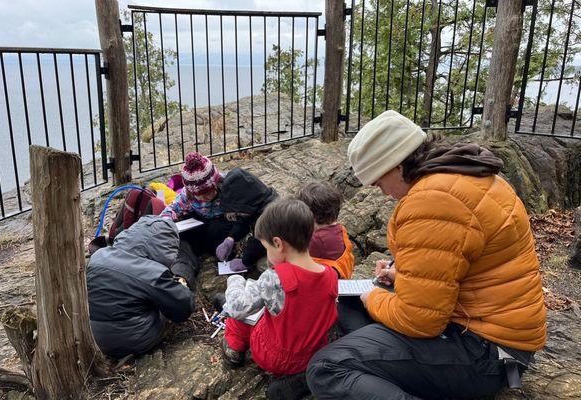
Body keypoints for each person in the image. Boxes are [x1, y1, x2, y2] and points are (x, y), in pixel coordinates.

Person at [307, 110, 547, 400]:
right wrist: (403, 274)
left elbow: (419, 321)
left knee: (326, 367)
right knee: (349, 305)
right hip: (484, 327)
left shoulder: (433, 201)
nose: (381, 192)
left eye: (377, 181)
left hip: (486, 352)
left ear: (395, 165)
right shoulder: (461, 174)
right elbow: (458, 263)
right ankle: (379, 368)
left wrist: (374, 298)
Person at [220, 199, 338, 400]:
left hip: (274, 356)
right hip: (310, 354)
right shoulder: (330, 274)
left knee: (241, 314)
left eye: (266, 247)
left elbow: (236, 307)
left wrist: (235, 282)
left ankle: (234, 348)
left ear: (278, 243)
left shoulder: (275, 278)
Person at [87, 216, 195, 359]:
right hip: (133, 339)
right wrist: (181, 283)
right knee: (166, 300)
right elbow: (183, 308)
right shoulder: (151, 273)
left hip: (93, 335)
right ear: (163, 248)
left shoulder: (99, 255)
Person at [160, 152, 277, 276]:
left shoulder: (231, 188)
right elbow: (172, 208)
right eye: (200, 195)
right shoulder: (188, 196)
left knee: (215, 232)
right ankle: (184, 265)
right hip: (202, 223)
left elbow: (246, 219)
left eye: (209, 192)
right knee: (182, 236)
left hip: (225, 225)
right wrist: (166, 220)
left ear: (216, 183)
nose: (205, 197)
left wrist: (232, 241)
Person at [295, 181, 354, 279]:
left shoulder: (316, 239)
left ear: (308, 215)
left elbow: (296, 259)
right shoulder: (340, 229)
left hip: (325, 284)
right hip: (341, 277)